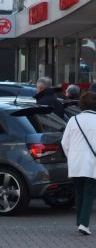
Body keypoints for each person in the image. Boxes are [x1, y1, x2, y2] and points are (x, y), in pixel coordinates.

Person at [61, 91, 96, 235]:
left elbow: (64, 142)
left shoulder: (73, 120)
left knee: (80, 192)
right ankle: (84, 223)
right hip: (92, 163)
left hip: (75, 162)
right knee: (89, 193)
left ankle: (79, 222)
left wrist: (71, 156)